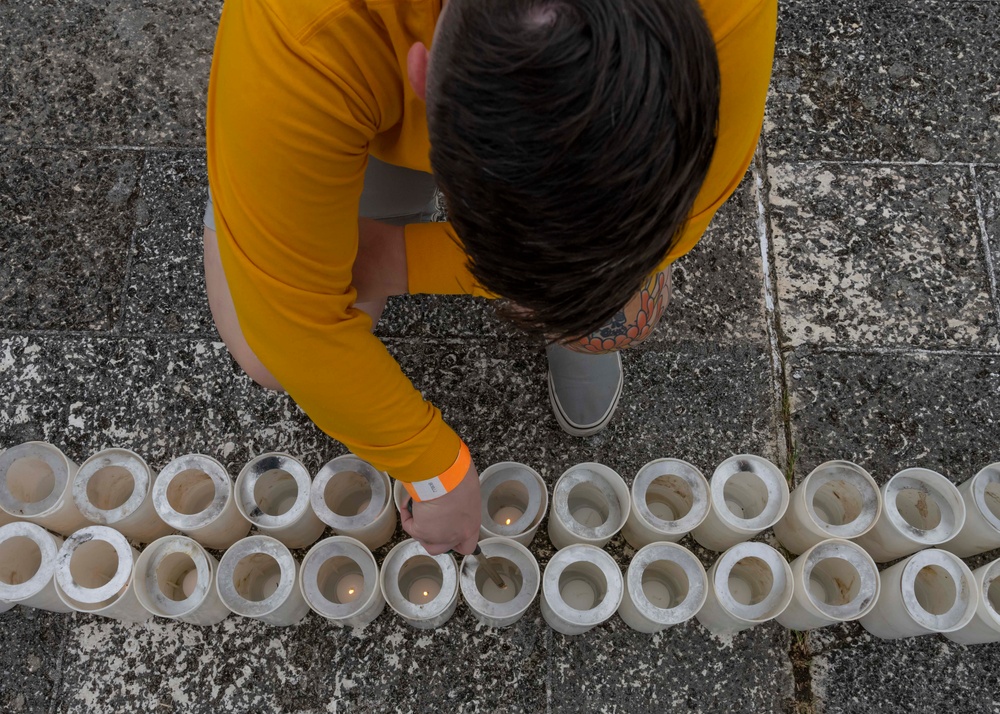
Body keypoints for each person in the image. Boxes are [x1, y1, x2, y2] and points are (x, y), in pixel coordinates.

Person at [203, 0, 776, 556]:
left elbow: (675, 220)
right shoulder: (304, 35)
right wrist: (435, 469)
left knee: (617, 309)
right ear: (422, 75)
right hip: (347, 98)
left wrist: (400, 261)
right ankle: (259, 185)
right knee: (271, 352)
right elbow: (294, 322)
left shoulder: (730, 14)